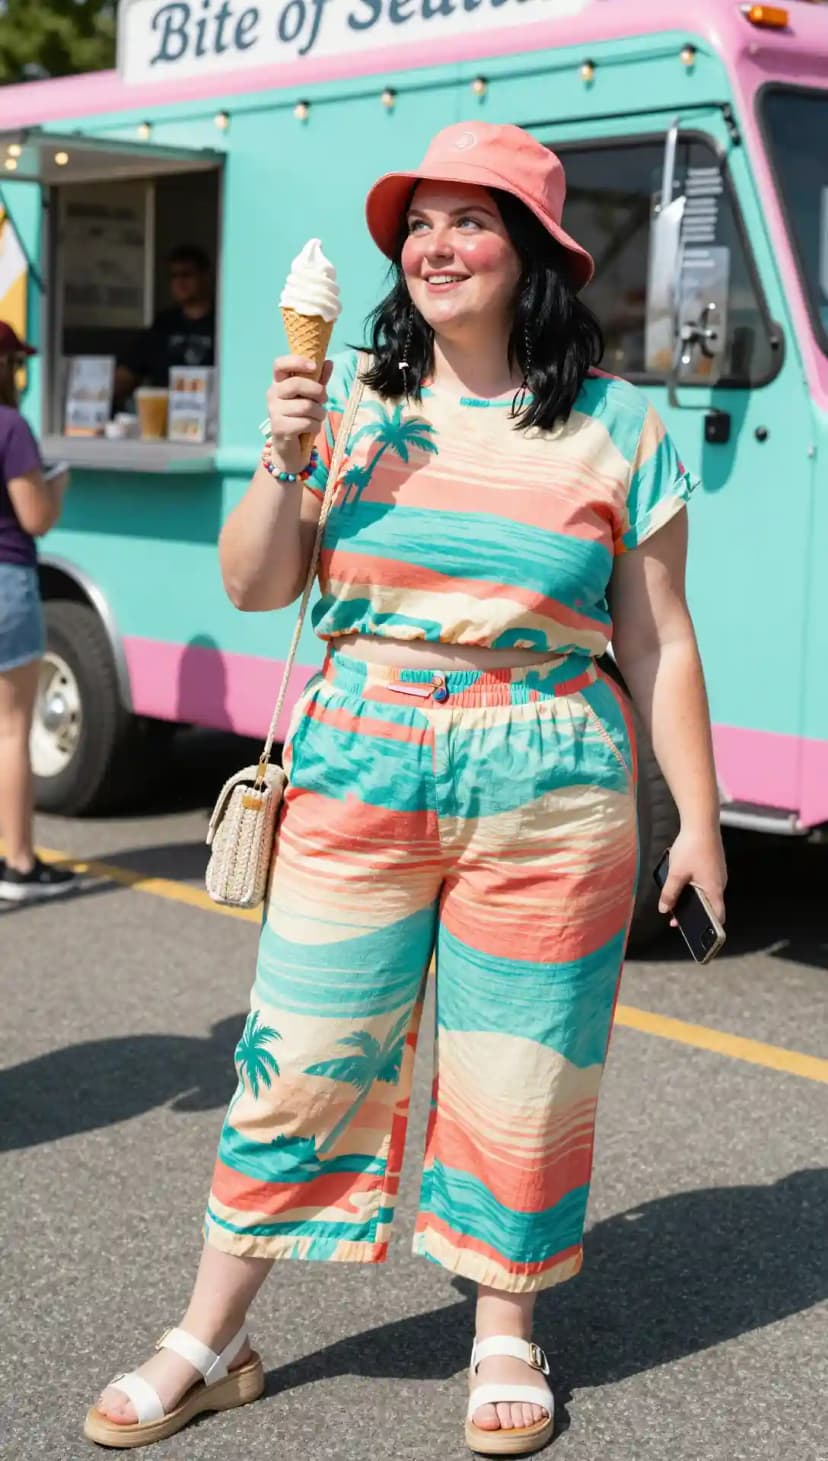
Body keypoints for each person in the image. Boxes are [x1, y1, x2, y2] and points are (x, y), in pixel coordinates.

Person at [84, 123, 726, 1454]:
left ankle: (504, 1329)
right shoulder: (354, 404)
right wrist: (278, 451)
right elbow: (258, 586)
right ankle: (212, 1336)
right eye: (417, 223)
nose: (434, 244)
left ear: (536, 255)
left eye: (468, 221)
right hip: (364, 750)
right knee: (299, 1056)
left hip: (553, 771)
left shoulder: (620, 425)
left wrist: (702, 820)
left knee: (523, 1070)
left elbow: (658, 636)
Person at [0, 321, 75, 903]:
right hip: (6, 580)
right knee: (12, 730)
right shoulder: (10, 427)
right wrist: (59, 484)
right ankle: (19, 863)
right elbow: (34, 517)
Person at [114, 245, 215, 402]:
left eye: (186, 275)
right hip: (165, 415)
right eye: (173, 276)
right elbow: (128, 371)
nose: (179, 282)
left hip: (212, 410)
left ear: (205, 276)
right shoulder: (164, 324)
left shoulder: (222, 323)